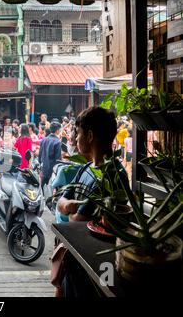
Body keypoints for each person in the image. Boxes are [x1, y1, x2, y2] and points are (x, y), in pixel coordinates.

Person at [56, 107, 128, 297]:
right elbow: (61, 201)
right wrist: (67, 207)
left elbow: (77, 221)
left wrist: (68, 211)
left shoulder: (113, 174)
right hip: (76, 259)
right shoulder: (86, 168)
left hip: (100, 263)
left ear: (89, 136)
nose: (74, 139)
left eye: (78, 133)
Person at [38, 121, 62, 187]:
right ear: (57, 131)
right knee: (50, 191)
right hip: (52, 171)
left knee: (42, 190)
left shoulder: (44, 139)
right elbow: (58, 159)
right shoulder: (57, 142)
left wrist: (41, 167)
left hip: (44, 169)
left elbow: (39, 156)